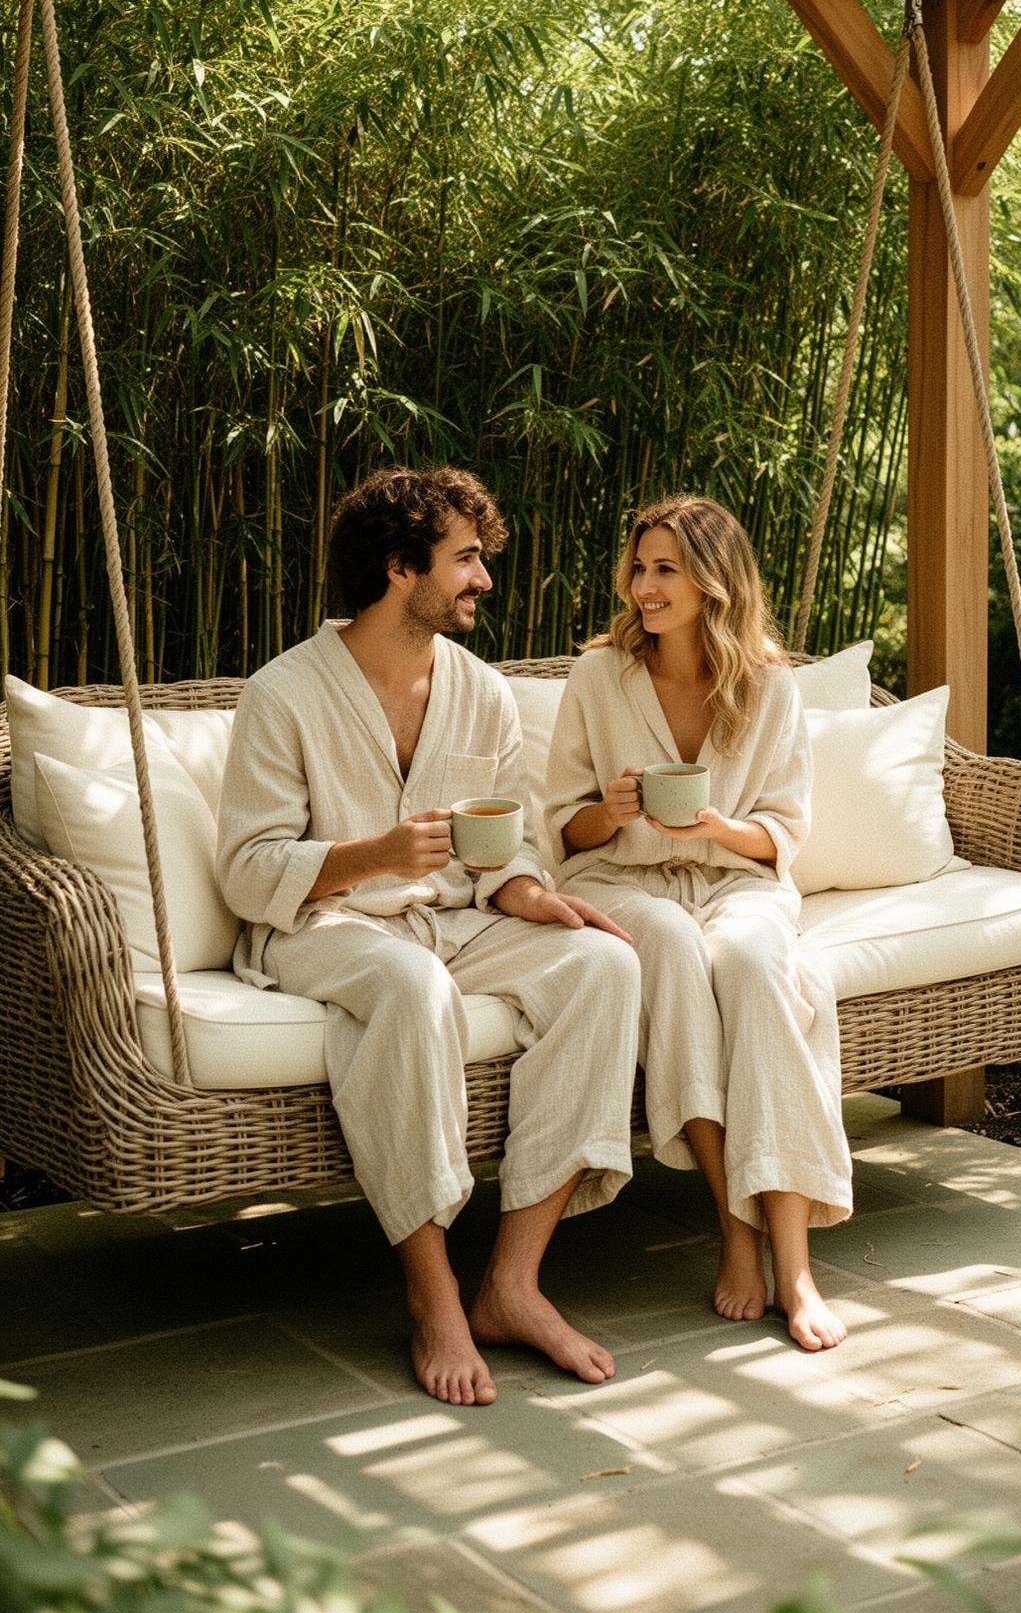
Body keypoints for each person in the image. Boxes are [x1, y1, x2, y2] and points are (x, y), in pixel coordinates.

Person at [216, 466, 641, 1406]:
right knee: (413, 987)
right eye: (466, 560)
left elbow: (507, 846)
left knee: (604, 964)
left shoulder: (482, 693)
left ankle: (514, 1284)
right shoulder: (282, 694)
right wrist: (373, 855)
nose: (484, 578)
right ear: (400, 569)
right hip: (320, 927)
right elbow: (248, 872)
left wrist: (530, 892)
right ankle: (434, 1293)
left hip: (454, 919)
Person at [544, 496, 852, 1352]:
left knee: (757, 968)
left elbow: (782, 833)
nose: (644, 586)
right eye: (639, 568)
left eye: (665, 569)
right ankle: (735, 1232)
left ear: (714, 581)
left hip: (734, 881)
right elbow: (561, 827)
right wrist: (607, 812)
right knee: (672, 953)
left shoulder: (769, 683)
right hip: (621, 877)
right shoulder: (598, 676)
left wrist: (713, 826)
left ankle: (793, 1265)